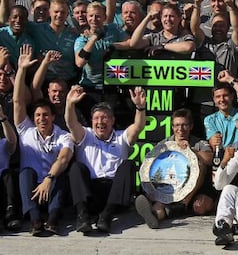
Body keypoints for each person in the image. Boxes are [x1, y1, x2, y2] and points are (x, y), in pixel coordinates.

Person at [65, 84, 146, 233]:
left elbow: (138, 127)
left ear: (112, 120)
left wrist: (140, 108)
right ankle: (83, 216)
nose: (100, 121)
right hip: (91, 194)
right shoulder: (85, 135)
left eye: (105, 118)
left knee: (128, 164)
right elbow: (71, 123)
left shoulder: (121, 137)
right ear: (92, 121)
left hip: (114, 194)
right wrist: (70, 104)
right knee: (76, 167)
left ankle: (107, 215)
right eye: (96, 118)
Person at [14, 46, 73, 236]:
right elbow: (18, 102)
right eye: (38, 115)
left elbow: (64, 158)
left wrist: (49, 178)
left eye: (46, 115)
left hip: (51, 189)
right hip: (30, 192)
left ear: (52, 117)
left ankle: (53, 220)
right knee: (25, 173)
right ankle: (35, 221)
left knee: (59, 174)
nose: (41, 119)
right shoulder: (26, 131)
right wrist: (22, 70)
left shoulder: (63, 135)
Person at [135, 108, 215, 229]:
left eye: (184, 125)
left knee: (200, 165)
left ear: (191, 126)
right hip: (169, 189)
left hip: (191, 191)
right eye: (177, 125)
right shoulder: (164, 144)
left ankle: (181, 205)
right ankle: (157, 215)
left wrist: (191, 150)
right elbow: (151, 164)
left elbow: (209, 159)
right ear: (172, 127)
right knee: (160, 204)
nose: (180, 129)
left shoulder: (199, 143)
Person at [204, 70, 238, 152]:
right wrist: (213, 141)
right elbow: (214, 145)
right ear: (213, 100)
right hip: (223, 158)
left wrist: (230, 79)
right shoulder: (209, 119)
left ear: (232, 96)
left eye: (225, 95)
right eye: (218, 97)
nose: (222, 99)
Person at [130, 3, 195, 58]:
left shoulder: (184, 36)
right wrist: (147, 18)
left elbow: (188, 47)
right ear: (161, 19)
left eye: (171, 16)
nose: (168, 19)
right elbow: (134, 44)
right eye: (165, 16)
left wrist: (162, 46)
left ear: (179, 19)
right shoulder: (154, 37)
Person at [0, 103, 21, 232]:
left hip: (3, 183)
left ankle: (11, 214)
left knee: (9, 174)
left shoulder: (3, 143)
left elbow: (12, 141)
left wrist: (2, 118)